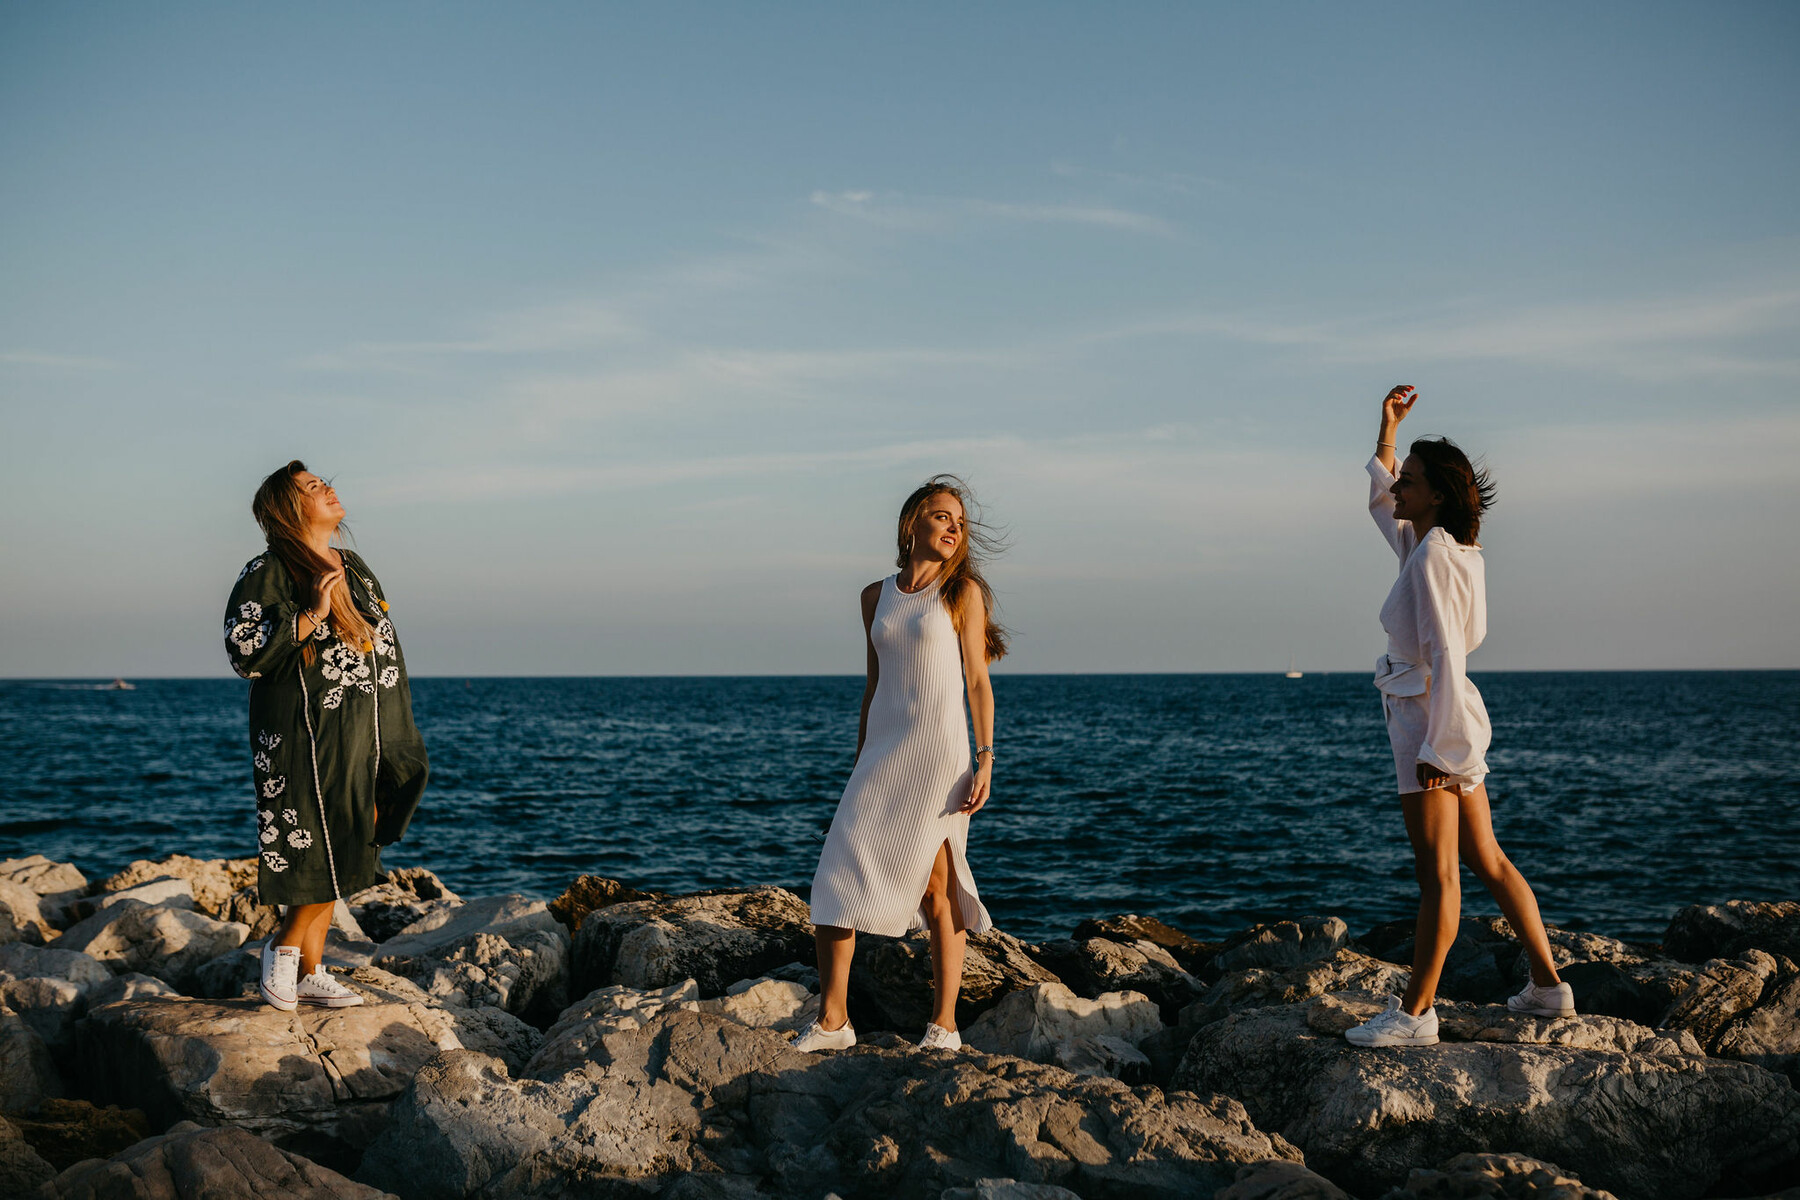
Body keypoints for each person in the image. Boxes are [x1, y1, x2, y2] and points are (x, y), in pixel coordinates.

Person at [1346, 386, 1574, 1047]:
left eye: (1410, 482)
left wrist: (1440, 751)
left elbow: (1445, 653)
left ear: (1437, 494)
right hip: (1449, 720)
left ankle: (1416, 1015)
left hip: (1431, 723)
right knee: (1488, 858)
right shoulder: (1437, 546)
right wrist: (1388, 430)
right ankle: (1548, 987)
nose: (1397, 490)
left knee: (1439, 875)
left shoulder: (1434, 559)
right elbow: (1381, 506)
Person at [795, 476, 1006, 1052]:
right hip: (883, 750)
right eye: (942, 517)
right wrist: (859, 760)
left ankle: (944, 1028)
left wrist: (986, 758)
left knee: (938, 887)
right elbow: (874, 684)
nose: (953, 528)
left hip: (939, 753)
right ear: (913, 521)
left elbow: (978, 682)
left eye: (959, 522)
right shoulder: (874, 595)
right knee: (836, 875)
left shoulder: (961, 592)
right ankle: (834, 1022)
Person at [224, 461, 429, 1012]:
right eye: (313, 488)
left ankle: (312, 969)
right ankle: (284, 948)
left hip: (360, 731)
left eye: (323, 482)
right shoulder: (268, 569)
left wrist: (392, 738)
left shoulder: (355, 567)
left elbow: (384, 653)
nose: (328, 489)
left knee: (348, 837)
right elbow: (244, 650)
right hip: (301, 734)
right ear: (290, 510)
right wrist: (312, 613)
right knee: (311, 842)